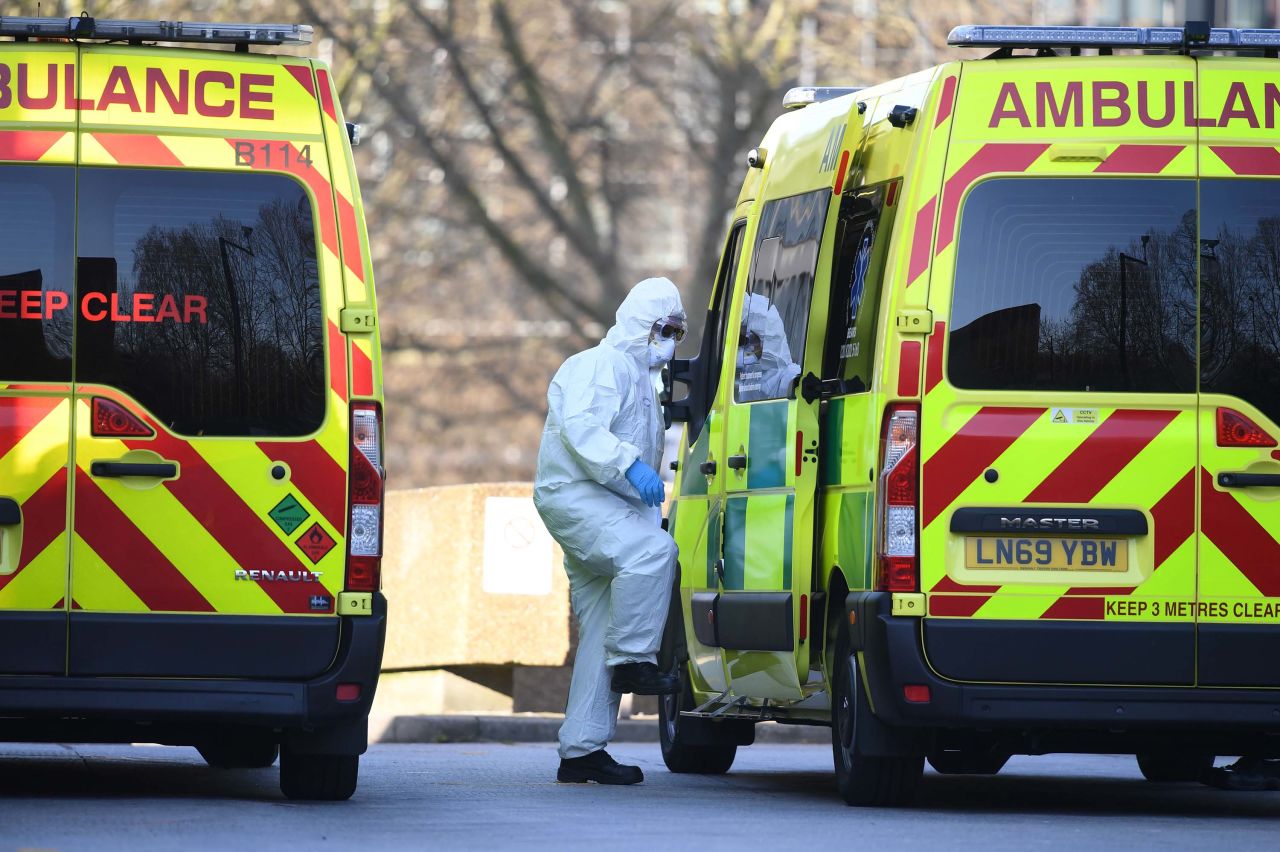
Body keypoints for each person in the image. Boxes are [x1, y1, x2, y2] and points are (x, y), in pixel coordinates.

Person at [533, 277, 687, 785]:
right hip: (576, 495)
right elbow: (582, 428)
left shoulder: (643, 381)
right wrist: (631, 465)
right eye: (663, 329)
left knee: (602, 628)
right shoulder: (602, 365)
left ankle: (581, 752)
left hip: (602, 504)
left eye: (677, 332)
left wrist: (641, 485)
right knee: (654, 554)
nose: (668, 340)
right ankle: (633, 661)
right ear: (640, 324)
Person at [735, 292, 802, 402]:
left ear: (767, 338)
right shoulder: (748, 381)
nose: (742, 349)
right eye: (738, 343)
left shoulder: (792, 378)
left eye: (745, 340)